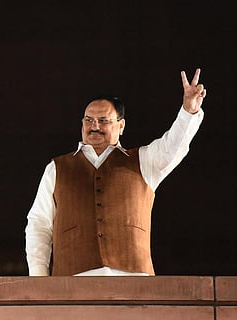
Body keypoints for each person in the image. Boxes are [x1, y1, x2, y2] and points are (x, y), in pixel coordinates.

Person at [25, 68, 206, 276]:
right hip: (73, 281)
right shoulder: (57, 168)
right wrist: (38, 278)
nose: (94, 126)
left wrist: (188, 111)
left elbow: (173, 147)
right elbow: (39, 224)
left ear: (121, 126)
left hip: (135, 281)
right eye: (88, 120)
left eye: (103, 120)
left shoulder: (143, 161)